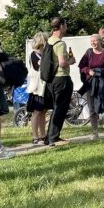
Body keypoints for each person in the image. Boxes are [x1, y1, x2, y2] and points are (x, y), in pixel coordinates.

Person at [45, 17, 76, 146]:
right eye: (66, 25)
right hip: (62, 78)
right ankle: (54, 138)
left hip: (51, 79)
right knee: (60, 109)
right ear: (62, 26)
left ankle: (49, 137)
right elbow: (62, 63)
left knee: (56, 108)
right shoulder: (60, 43)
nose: (66, 28)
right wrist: (71, 61)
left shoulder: (49, 41)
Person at [78, 34, 104, 140]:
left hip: (102, 84)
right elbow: (82, 66)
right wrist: (88, 71)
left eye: (95, 41)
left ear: (101, 41)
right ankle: (94, 132)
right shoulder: (88, 52)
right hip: (90, 84)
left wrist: (99, 71)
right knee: (92, 107)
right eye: (91, 41)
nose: (92, 42)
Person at [26, 31, 51, 144]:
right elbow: (38, 66)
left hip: (45, 86)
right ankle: (35, 136)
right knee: (36, 111)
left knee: (43, 111)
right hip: (36, 87)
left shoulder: (45, 53)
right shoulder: (33, 54)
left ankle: (43, 134)